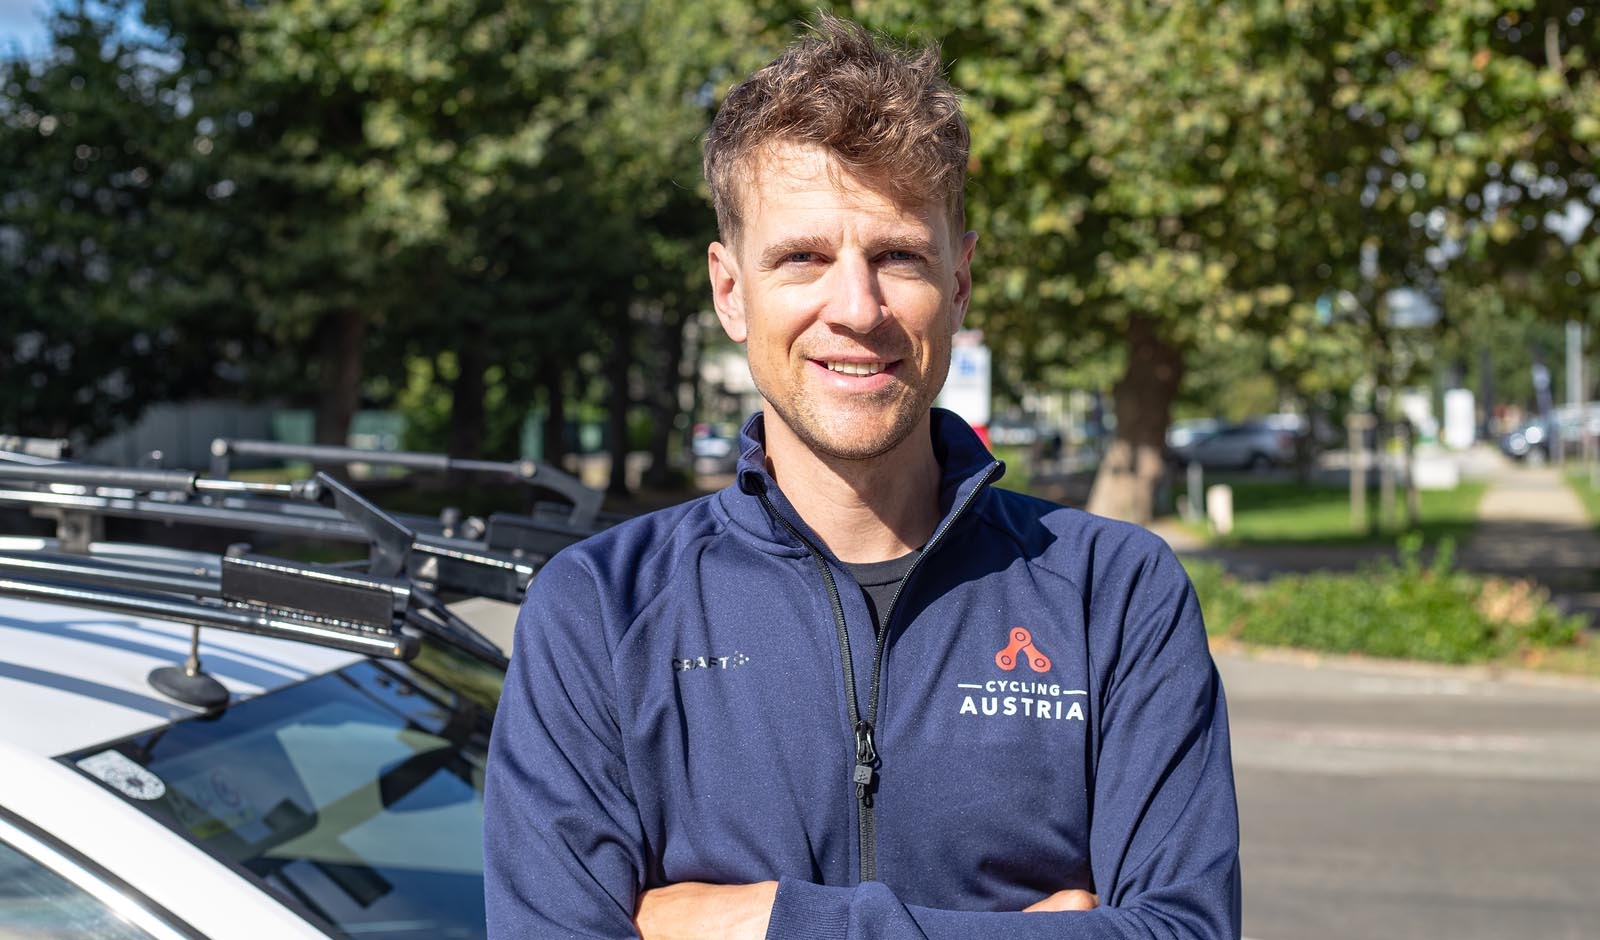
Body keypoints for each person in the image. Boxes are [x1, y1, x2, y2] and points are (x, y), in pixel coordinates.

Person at [484, 15, 1240, 939]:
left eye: (898, 257)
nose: (856, 309)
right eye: (801, 258)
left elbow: (1185, 931)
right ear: (730, 291)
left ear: (959, 283)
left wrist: (769, 924)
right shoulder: (599, 610)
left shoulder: (1115, 594)